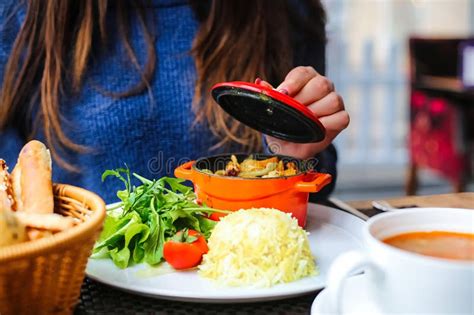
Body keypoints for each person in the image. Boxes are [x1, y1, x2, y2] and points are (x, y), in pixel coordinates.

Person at [0, 0, 349, 203]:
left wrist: (297, 147)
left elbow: (318, 185)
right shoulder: (25, 13)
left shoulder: (286, 10)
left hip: (251, 282)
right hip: (81, 287)